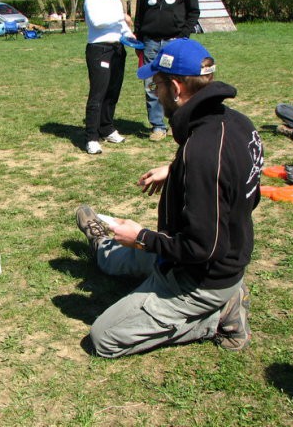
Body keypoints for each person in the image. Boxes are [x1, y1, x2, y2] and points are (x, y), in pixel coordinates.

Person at [75, 39, 264, 358]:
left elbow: (204, 248)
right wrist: (176, 169)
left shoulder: (203, 151)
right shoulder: (237, 124)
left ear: (176, 87)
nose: (154, 91)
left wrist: (144, 237)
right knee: (115, 257)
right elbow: (244, 191)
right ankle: (103, 245)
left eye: (156, 83)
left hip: (201, 278)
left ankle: (217, 316)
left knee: (103, 338)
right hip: (204, 255)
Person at [134, 0, 200, 142]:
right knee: (152, 85)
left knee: (177, 85)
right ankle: (157, 126)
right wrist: (139, 37)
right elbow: (140, 14)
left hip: (174, 42)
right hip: (151, 43)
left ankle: (177, 122)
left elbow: (193, 11)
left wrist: (184, 35)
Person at [82, 0, 135, 155]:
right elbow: (97, 21)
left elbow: (121, 26)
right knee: (98, 94)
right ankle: (91, 138)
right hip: (99, 49)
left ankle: (107, 128)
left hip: (117, 49)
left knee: (113, 92)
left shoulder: (116, 0)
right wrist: (121, 16)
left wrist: (131, 36)